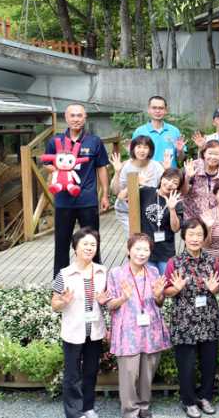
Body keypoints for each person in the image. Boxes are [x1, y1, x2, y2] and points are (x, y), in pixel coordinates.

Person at [106, 233, 171, 418]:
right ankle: (130, 410)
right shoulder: (116, 273)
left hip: (151, 329)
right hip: (127, 331)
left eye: (146, 249)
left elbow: (159, 303)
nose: (141, 253)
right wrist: (123, 298)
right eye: (137, 249)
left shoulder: (153, 272)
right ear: (129, 250)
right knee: (129, 373)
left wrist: (159, 295)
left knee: (147, 372)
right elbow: (110, 304)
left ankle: (143, 406)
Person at [164, 219, 219, 418]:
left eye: (199, 234)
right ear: (184, 237)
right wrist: (176, 289)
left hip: (208, 318)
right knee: (186, 365)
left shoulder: (212, 260)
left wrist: (216, 289)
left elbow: (217, 286)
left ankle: (205, 397)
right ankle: (188, 400)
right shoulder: (175, 262)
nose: (195, 238)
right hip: (184, 319)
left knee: (209, 362)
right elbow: (166, 292)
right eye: (191, 234)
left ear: (204, 237)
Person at [45, 103, 110, 277]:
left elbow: (102, 167)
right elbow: (48, 165)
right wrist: (61, 169)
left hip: (87, 199)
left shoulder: (94, 141)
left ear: (85, 117)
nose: (76, 119)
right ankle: (59, 283)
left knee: (91, 241)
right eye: (72, 115)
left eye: (79, 115)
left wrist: (105, 194)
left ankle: (96, 278)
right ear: (66, 118)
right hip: (63, 200)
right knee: (62, 242)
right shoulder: (55, 141)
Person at [51, 227, 109, 418]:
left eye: (93, 244)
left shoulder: (102, 271)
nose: (89, 248)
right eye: (85, 244)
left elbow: (106, 300)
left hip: (95, 330)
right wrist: (63, 302)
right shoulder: (64, 274)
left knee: (91, 371)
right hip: (73, 330)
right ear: (75, 247)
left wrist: (104, 302)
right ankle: (74, 412)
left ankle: (88, 407)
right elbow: (54, 304)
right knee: (72, 375)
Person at [118, 168, 183, 274]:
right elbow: (121, 197)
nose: (170, 184)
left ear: (178, 187)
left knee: (165, 284)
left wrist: (172, 209)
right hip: (144, 250)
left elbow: (175, 228)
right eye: (167, 179)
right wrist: (136, 184)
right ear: (161, 179)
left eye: (175, 182)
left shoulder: (177, 203)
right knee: (146, 283)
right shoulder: (146, 192)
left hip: (165, 252)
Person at [111, 135, 165, 234]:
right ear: (133, 149)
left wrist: (167, 170)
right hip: (128, 210)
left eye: (145, 147)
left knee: (149, 238)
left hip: (150, 208)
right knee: (134, 238)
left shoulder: (156, 167)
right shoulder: (126, 167)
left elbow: (164, 188)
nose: (142, 150)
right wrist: (117, 172)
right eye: (139, 147)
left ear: (150, 150)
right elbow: (117, 192)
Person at [132, 95, 186, 167]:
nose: (157, 111)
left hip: (169, 176)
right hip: (147, 176)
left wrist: (180, 151)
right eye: (154, 108)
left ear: (166, 110)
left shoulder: (174, 131)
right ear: (148, 110)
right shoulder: (139, 132)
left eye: (161, 108)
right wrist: (133, 178)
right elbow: (133, 158)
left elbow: (180, 159)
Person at [182, 140, 219, 220]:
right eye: (210, 153)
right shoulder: (193, 166)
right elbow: (183, 192)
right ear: (204, 154)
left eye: (216, 154)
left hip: (214, 218)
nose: (213, 157)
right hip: (192, 217)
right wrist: (188, 177)